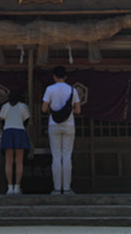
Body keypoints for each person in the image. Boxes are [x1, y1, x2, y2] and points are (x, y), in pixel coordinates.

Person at [41, 65, 81, 195]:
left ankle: (57, 188)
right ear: (65, 76)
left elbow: (44, 108)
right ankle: (67, 188)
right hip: (69, 124)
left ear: (54, 76)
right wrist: (69, 111)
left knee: (56, 156)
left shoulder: (49, 89)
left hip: (54, 124)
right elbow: (78, 110)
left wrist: (53, 110)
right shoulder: (72, 90)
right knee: (67, 156)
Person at [0, 92, 31, 195]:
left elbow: (1, 119)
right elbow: (27, 119)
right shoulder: (23, 106)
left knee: (8, 161)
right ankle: (17, 187)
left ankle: (9, 187)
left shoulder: (5, 106)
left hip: (8, 131)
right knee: (19, 161)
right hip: (20, 131)